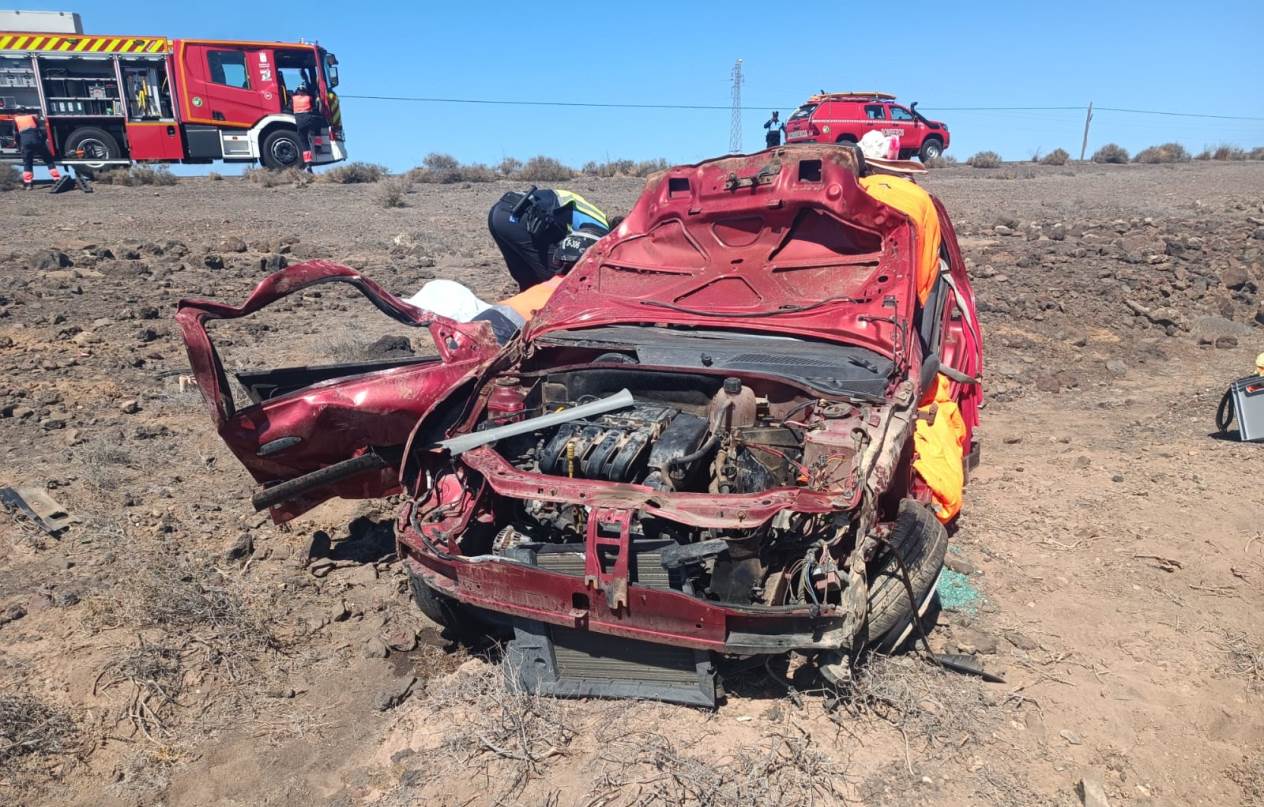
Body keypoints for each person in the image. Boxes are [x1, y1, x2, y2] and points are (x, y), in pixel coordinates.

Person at [487, 187, 615, 291]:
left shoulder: (591, 211)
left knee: (528, 280)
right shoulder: (602, 227)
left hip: (499, 213)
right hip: (523, 215)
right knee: (557, 280)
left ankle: (521, 315)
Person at [15, 114, 61, 189]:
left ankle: (28, 183)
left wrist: (19, 146)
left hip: (26, 143)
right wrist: (43, 141)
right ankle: (56, 179)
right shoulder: (32, 118)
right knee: (48, 159)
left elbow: (16, 135)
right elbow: (42, 131)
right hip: (37, 141)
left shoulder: (16, 119)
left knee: (28, 162)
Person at [290, 87, 325, 172]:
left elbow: (290, 107)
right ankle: (318, 147)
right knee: (317, 128)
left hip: (300, 123)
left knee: (305, 143)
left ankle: (309, 164)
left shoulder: (293, 99)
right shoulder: (308, 98)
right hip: (309, 119)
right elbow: (315, 107)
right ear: (305, 91)